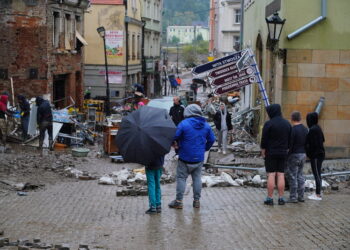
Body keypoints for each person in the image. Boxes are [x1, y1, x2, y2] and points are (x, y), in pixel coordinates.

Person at [168, 104, 215, 209]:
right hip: (199, 158)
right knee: (197, 179)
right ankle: (196, 201)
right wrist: (205, 148)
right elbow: (212, 139)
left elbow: (174, 136)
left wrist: (174, 144)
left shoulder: (183, 124)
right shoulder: (206, 125)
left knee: (181, 178)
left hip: (185, 157)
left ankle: (179, 201)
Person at [261, 104, 291, 206]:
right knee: (281, 174)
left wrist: (263, 150)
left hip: (271, 152)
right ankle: (281, 198)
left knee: (271, 174)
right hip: (283, 152)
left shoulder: (269, 124)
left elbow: (264, 139)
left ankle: (269, 198)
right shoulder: (287, 123)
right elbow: (290, 139)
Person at [286, 111, 308, 203]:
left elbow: (290, 144)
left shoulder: (293, 130)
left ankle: (293, 197)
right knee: (300, 175)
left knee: (292, 176)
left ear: (292, 118)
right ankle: (301, 196)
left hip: (294, 154)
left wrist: (287, 155)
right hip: (303, 154)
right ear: (300, 118)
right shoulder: (305, 129)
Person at [305, 112, 325, 201]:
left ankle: (317, 194)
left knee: (316, 174)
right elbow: (323, 140)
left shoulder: (312, 130)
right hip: (320, 154)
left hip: (316, 155)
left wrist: (309, 154)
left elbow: (311, 144)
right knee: (318, 174)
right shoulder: (318, 128)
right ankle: (318, 193)